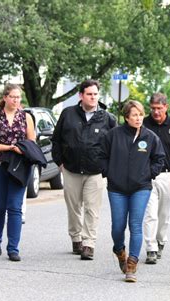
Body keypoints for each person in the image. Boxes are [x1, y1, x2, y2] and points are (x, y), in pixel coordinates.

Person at [99, 100, 165, 282]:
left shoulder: (150, 137)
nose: (138, 118)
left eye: (141, 114)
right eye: (134, 115)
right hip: (117, 188)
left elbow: (159, 158)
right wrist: (109, 173)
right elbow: (101, 155)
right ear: (126, 117)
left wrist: (148, 174)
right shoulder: (113, 135)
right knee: (118, 227)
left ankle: (132, 264)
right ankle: (119, 250)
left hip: (141, 188)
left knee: (135, 225)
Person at [52, 79, 117, 260]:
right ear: (81, 96)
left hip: (95, 171)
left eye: (95, 94)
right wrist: (59, 162)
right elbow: (56, 140)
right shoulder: (68, 114)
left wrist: (107, 168)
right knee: (74, 208)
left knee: (92, 209)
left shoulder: (108, 118)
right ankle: (76, 237)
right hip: (71, 169)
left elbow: (115, 146)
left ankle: (89, 243)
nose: (93, 97)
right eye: (89, 94)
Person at [0, 84, 36, 261]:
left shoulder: (26, 117)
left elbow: (31, 141)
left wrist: (21, 149)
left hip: (20, 166)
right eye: (13, 97)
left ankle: (13, 248)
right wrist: (9, 147)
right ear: (4, 98)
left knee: (15, 207)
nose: (16, 100)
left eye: (19, 97)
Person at [142, 93, 170, 264]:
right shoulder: (144, 124)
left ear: (166, 107)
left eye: (159, 108)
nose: (156, 112)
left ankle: (161, 240)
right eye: (153, 108)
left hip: (168, 175)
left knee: (164, 214)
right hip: (148, 176)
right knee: (150, 213)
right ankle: (151, 247)